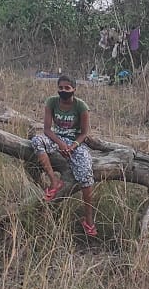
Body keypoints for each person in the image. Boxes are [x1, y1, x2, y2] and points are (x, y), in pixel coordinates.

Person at [29, 76, 98, 236]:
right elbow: (47, 129)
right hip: (56, 139)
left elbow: (84, 134)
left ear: (74, 89)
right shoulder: (51, 102)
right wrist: (60, 144)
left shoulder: (81, 106)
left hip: (75, 143)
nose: (63, 91)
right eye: (60, 88)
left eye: (67, 88)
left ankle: (88, 219)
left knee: (86, 175)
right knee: (36, 141)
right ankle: (54, 182)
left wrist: (72, 146)